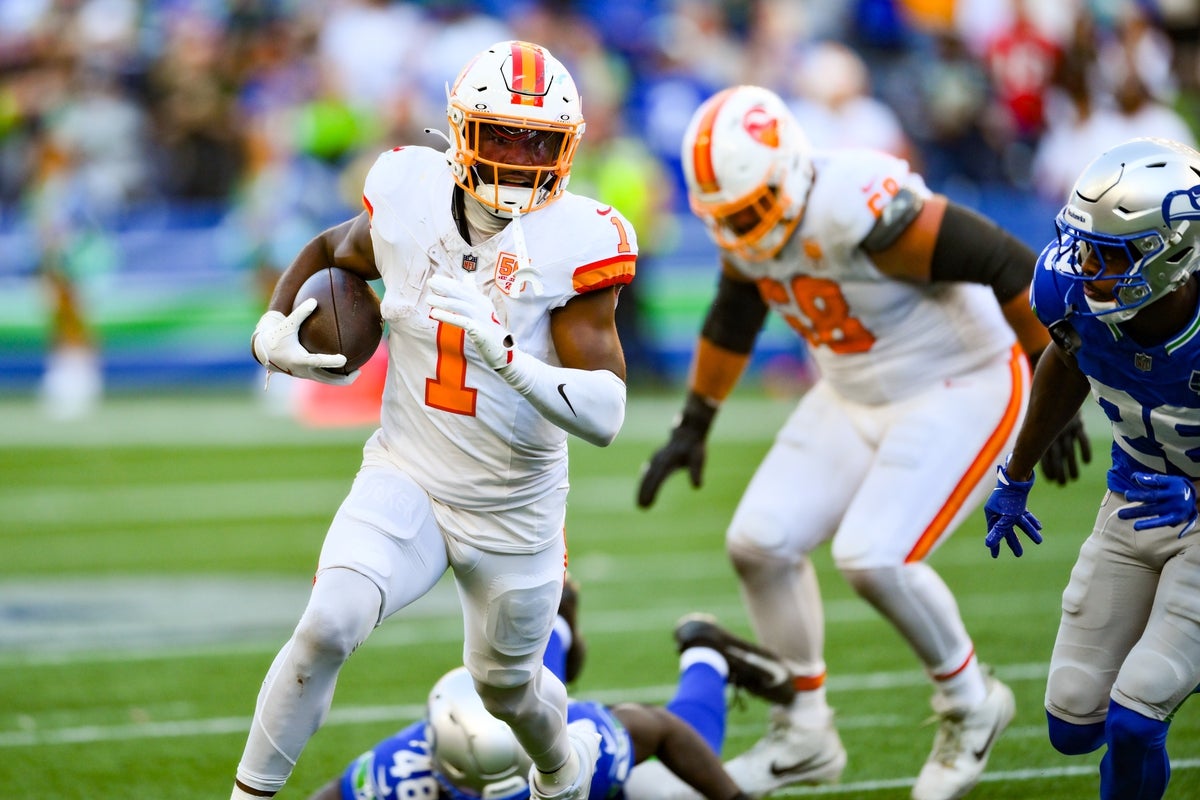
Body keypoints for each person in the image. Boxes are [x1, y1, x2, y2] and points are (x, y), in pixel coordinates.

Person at [635, 84, 1090, 800]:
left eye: (751, 211)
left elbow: (1008, 261)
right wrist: (692, 422)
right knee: (758, 541)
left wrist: (1052, 386)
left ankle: (973, 704)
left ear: (789, 175)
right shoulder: (751, 216)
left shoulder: (859, 208)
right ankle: (805, 734)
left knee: (874, 556)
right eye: (726, 219)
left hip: (959, 380)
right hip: (853, 387)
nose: (742, 232)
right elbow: (733, 310)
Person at [231, 40, 636, 800]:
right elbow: (337, 250)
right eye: (502, 135)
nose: (519, 158)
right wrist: (274, 323)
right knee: (327, 625)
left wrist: (507, 352)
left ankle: (563, 770)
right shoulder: (409, 189)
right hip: (408, 470)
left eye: (538, 141)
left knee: (509, 691)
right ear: (460, 132)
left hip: (514, 510)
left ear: (567, 146)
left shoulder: (576, 238)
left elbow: (608, 413)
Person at [983, 137, 1200, 800]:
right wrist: (1015, 474)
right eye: (1081, 247)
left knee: (1137, 717)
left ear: (1173, 253)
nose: (1082, 269)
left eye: (1107, 256)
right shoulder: (1072, 297)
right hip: (1131, 500)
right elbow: (1065, 360)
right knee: (1075, 721)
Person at [305, 579, 791, 800]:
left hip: (570, 743)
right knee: (519, 684)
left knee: (678, 789)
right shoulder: (403, 774)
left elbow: (663, 730)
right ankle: (553, 621)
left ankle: (705, 656)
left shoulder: (584, 747)